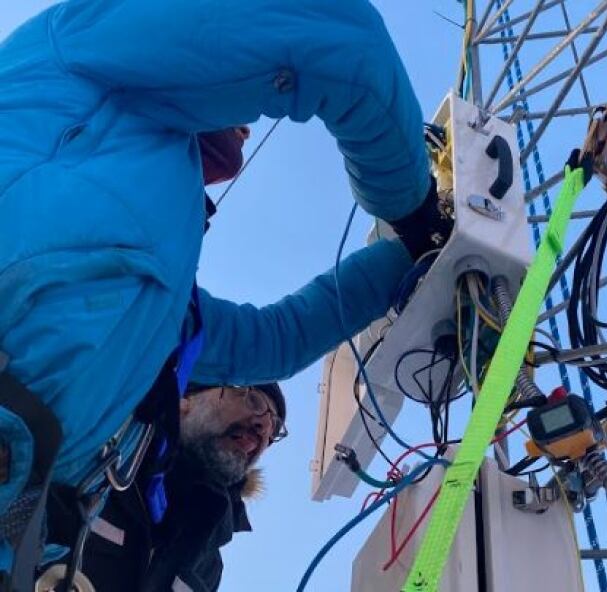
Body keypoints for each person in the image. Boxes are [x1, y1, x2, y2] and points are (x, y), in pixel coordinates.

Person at [0, 0, 452, 583]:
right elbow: (339, 41)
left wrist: (413, 259)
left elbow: (272, 342)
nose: (249, 120)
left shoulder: (155, 299)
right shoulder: (86, 35)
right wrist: (414, 212)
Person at [42, 382, 287, 592]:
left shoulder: (207, 566)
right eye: (253, 400)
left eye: (274, 428)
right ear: (185, 401)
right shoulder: (97, 459)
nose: (264, 426)